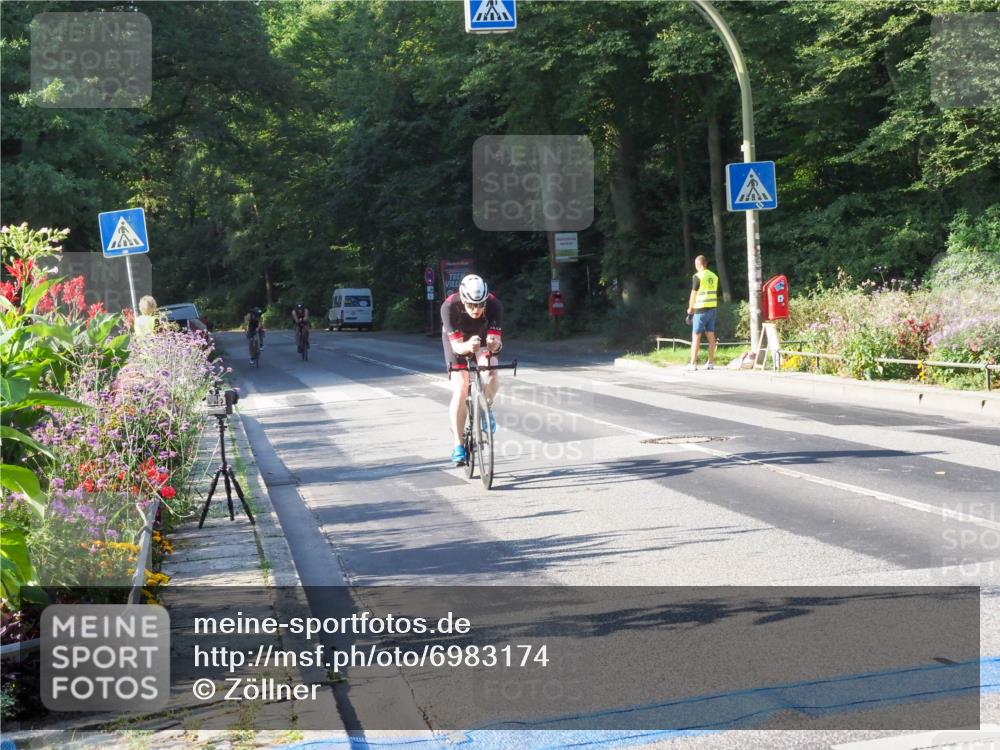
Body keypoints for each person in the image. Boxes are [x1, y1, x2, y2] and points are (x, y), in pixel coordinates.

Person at [441, 274, 503, 465]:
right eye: (471, 305)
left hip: (481, 337)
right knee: (460, 389)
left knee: (491, 371)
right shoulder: (449, 307)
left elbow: (498, 344)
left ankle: (486, 407)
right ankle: (458, 444)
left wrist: (494, 346)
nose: (477, 309)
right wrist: (467, 346)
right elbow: (458, 348)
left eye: (480, 305)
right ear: (463, 300)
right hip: (458, 341)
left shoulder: (494, 305)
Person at [687, 255, 719, 370]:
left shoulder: (697, 276)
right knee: (711, 336)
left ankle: (693, 364)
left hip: (700, 310)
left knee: (696, 337)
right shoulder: (714, 276)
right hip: (712, 309)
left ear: (699, 264)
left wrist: (690, 308)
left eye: (696, 265)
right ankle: (710, 363)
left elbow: (693, 294)